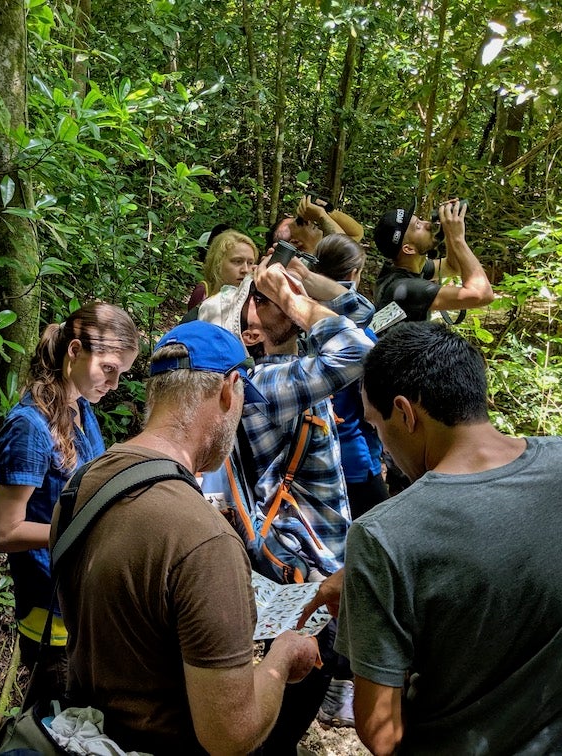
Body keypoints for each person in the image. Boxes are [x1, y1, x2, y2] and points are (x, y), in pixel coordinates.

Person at [304, 321, 562, 755]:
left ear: (406, 413)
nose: (384, 446)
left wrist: (370, 598)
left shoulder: (385, 536)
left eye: (377, 426)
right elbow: (507, 558)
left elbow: (381, 734)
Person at [54, 320, 321, 754]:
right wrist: (283, 656)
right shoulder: (204, 539)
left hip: (86, 732)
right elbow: (229, 735)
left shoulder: (84, 482)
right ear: (227, 390)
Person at [197, 255, 374, 750]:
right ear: (250, 335)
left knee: (287, 725)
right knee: (281, 728)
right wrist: (297, 300)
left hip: (316, 578)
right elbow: (357, 348)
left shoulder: (290, 372)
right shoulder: (264, 387)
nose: (269, 296)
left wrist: (304, 283)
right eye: (256, 299)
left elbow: (369, 319)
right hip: (304, 578)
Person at [0, 302, 138, 706]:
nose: (114, 383)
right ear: (75, 351)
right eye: (108, 369)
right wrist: (86, 530)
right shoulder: (29, 426)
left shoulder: (81, 408)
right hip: (49, 610)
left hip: (80, 602)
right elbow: (4, 531)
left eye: (121, 374)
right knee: (51, 717)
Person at [308, 233, 389, 731]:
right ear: (355, 275)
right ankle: (342, 682)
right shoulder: (356, 327)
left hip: (320, 463)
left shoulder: (305, 322)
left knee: (332, 569)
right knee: (362, 575)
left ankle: (327, 677)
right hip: (355, 466)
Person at [372, 199, 495, 323]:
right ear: (408, 249)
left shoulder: (405, 268)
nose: (428, 224)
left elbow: (453, 267)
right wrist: (458, 239)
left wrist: (448, 233)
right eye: (418, 226)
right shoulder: (407, 288)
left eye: (420, 220)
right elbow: (483, 295)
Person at [263, 194, 363, 256]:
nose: (309, 222)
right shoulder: (308, 267)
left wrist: (326, 210)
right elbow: (348, 252)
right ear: (295, 242)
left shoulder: (322, 252)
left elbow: (357, 233)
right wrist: (321, 214)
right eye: (301, 222)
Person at [188, 228, 259, 310]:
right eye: (237, 261)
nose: (245, 270)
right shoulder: (204, 292)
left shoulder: (255, 298)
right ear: (218, 263)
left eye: (250, 263)